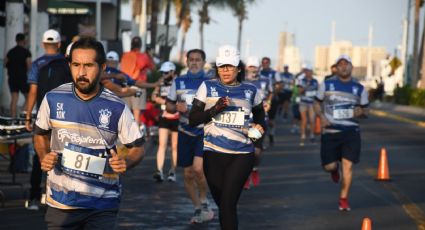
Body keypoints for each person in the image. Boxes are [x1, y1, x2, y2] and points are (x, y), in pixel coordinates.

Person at [33, 37, 145, 229]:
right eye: (76, 65)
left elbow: (137, 148)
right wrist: (44, 156)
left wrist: (125, 161)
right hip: (61, 203)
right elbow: (40, 134)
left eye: (88, 65)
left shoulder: (117, 107)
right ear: (69, 65)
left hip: (102, 204)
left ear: (102, 68)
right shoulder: (53, 98)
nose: (81, 72)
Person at [189, 45, 266, 230]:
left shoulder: (251, 90)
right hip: (213, 154)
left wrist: (258, 133)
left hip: (241, 154)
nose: (225, 71)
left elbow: (261, 118)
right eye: (222, 66)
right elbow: (193, 119)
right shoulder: (207, 87)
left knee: (228, 205)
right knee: (224, 206)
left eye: (230, 66)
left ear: (238, 68)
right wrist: (215, 109)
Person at [25, 29, 73, 210]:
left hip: (42, 117)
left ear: (44, 44)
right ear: (59, 45)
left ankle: (34, 198)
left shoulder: (38, 65)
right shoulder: (68, 65)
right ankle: (56, 195)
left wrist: (28, 116)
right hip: (63, 117)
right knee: (62, 155)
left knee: (41, 156)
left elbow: (32, 92)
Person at [314, 54, 369, 211]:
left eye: (347, 64)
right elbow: (316, 104)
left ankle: (343, 198)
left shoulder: (359, 88)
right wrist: (322, 117)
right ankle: (334, 170)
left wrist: (361, 112)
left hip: (351, 132)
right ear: (336, 68)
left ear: (351, 67)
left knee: (348, 166)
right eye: (340, 64)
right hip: (331, 131)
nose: (344, 66)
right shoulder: (326, 85)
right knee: (329, 166)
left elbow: (366, 109)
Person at [166, 49, 214, 223]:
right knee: (187, 174)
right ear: (187, 62)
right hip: (185, 131)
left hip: (203, 131)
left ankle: (204, 200)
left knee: (198, 169)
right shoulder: (178, 82)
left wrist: (194, 111)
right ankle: (197, 208)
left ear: (203, 62)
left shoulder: (210, 83)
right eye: (191, 60)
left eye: (198, 60)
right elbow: (169, 106)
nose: (194, 63)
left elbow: (215, 108)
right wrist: (174, 108)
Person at [242, 56, 272, 189]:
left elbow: (270, 93)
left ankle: (254, 168)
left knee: (256, 152)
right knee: (244, 150)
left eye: (255, 67)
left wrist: (269, 103)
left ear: (259, 67)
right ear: (246, 68)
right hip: (244, 121)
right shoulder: (241, 82)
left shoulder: (265, 81)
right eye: (250, 67)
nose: (253, 69)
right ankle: (245, 176)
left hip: (260, 119)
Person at [151, 61, 179, 182]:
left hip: (177, 117)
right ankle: (159, 171)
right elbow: (153, 97)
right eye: (162, 72)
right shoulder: (161, 83)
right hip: (164, 117)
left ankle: (172, 171)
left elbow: (182, 100)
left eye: (166, 72)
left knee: (174, 146)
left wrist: (164, 102)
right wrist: (164, 102)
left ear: (173, 72)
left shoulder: (179, 82)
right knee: (162, 144)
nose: (164, 75)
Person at [120, 36, 156, 125]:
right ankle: (135, 136)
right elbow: (153, 68)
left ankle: (125, 134)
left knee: (126, 111)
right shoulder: (144, 56)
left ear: (131, 44)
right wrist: (150, 56)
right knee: (137, 112)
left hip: (126, 86)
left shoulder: (125, 55)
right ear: (140, 45)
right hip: (139, 86)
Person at [4, 33, 32, 117]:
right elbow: (29, 66)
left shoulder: (10, 52)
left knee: (14, 99)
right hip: (23, 78)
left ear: (16, 40)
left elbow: (5, 63)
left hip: (12, 78)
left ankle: (13, 119)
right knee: (29, 97)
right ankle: (22, 115)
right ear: (24, 41)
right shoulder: (26, 52)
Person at [259, 57, 282, 147]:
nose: (265, 64)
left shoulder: (274, 73)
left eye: (267, 62)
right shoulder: (259, 72)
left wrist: (274, 91)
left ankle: (271, 134)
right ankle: (260, 140)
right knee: (260, 120)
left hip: (272, 99)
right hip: (260, 100)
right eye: (263, 62)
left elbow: (280, 85)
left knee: (271, 120)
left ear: (269, 63)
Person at [297, 65, 318, 146]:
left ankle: (312, 135)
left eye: (309, 71)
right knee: (304, 120)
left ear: (311, 72)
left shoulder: (315, 81)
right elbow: (299, 91)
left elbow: (318, 92)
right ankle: (303, 135)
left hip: (312, 103)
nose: (307, 73)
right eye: (306, 71)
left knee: (312, 120)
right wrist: (303, 87)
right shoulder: (301, 80)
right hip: (303, 102)